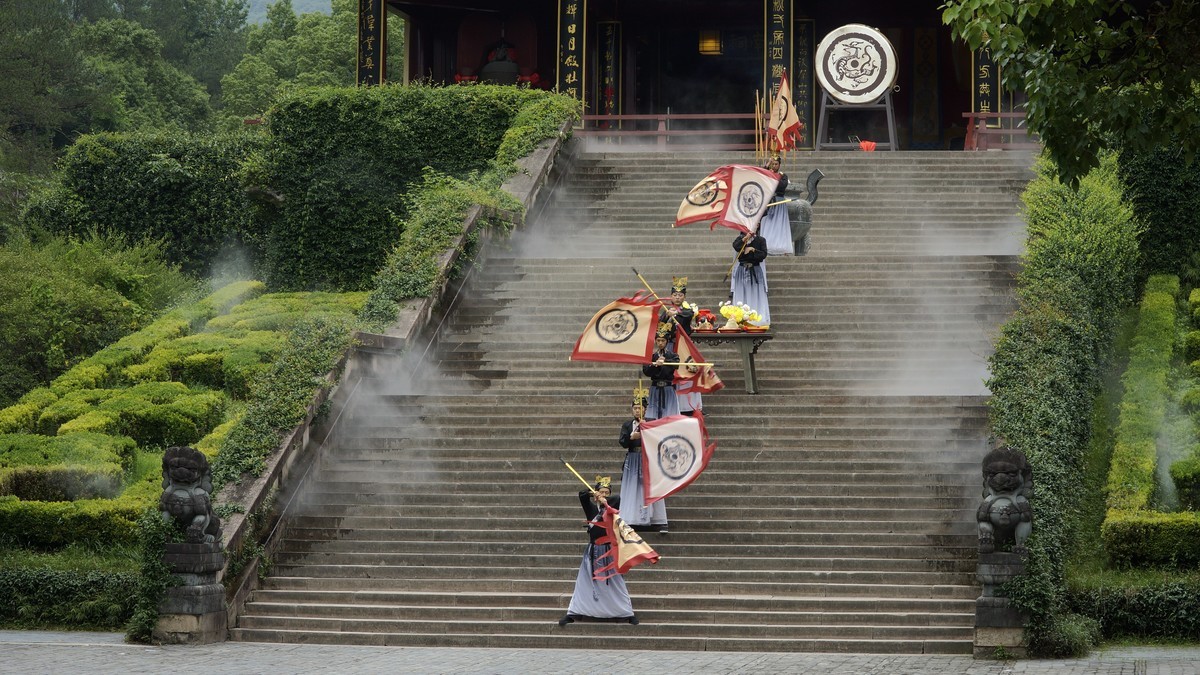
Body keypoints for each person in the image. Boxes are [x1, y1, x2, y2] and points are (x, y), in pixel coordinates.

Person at [559, 476, 639, 626]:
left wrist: (604, 500)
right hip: (592, 550)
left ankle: (628, 612)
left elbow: (616, 498)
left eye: (606, 492)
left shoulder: (612, 508)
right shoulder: (590, 508)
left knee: (617, 582)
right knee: (583, 582)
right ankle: (573, 611)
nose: (604, 495)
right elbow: (582, 495)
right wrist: (592, 494)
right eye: (601, 492)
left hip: (608, 551)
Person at [619, 382, 669, 533]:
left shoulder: (652, 423)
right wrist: (631, 437)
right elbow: (622, 442)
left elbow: (659, 441)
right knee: (632, 488)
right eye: (635, 408)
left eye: (640, 408)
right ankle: (631, 518)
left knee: (651, 487)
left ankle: (657, 520)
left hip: (647, 459)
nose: (637, 410)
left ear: (645, 409)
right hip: (633, 458)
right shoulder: (628, 425)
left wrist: (646, 432)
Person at [729, 229, 771, 326]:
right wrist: (745, 239)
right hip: (742, 270)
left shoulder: (761, 240)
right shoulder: (740, 240)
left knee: (756, 293)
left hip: (755, 270)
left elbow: (763, 254)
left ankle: (756, 318)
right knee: (741, 293)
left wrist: (752, 249)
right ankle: (740, 318)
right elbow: (736, 247)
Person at [642, 324, 680, 420]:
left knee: (669, 414)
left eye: (663, 341)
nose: (660, 343)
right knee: (654, 414)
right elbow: (646, 371)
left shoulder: (673, 355)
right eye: (658, 340)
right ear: (655, 341)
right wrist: (655, 365)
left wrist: (665, 361)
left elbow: (676, 365)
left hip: (668, 388)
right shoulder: (651, 356)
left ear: (667, 341)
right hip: (655, 388)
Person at [758, 155, 794, 255]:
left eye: (776, 164)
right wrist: (767, 166)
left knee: (778, 224)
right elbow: (760, 176)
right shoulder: (768, 174)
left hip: (779, 202)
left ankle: (779, 246)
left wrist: (773, 177)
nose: (774, 166)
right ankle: (767, 245)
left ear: (779, 165)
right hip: (769, 202)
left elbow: (782, 186)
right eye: (773, 164)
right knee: (767, 223)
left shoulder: (783, 176)